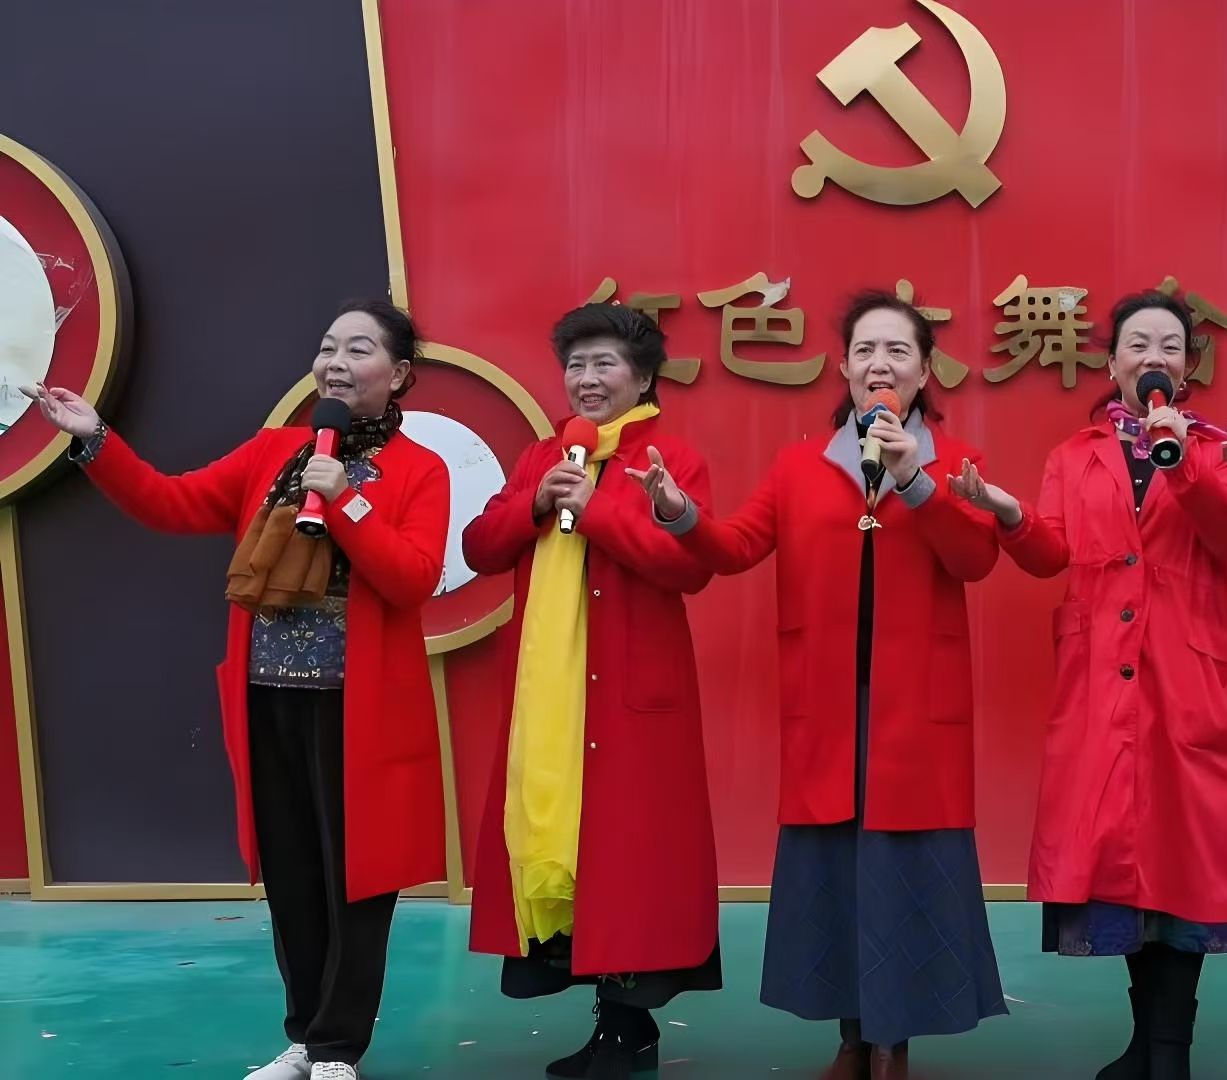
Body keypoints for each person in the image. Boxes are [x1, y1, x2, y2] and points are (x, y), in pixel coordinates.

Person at [27, 299, 451, 1080]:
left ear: (398, 375)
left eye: (358, 349)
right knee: (292, 875)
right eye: (328, 346)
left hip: (357, 709)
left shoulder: (421, 470)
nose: (336, 362)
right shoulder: (274, 451)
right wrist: (94, 437)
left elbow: (412, 578)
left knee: (357, 881)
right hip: (266, 696)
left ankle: (338, 1048)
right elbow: (172, 502)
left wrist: (346, 499)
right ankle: (304, 1036)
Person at [636, 290, 1006, 1079]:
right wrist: (677, 512)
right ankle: (851, 1037)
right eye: (866, 350)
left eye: (898, 351)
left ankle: (894, 1042)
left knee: (904, 871)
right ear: (844, 367)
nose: (880, 364)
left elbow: (975, 558)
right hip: (829, 705)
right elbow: (734, 547)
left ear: (925, 371)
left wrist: (916, 483)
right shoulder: (799, 467)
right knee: (836, 872)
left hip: (915, 708)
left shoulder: (955, 461)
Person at [950, 291, 1227, 1080]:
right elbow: (1050, 554)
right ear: (1112, 360)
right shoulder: (1074, 454)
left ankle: (1171, 1052)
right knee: (1123, 868)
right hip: (1101, 678)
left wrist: (1181, 459)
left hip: (1188, 676)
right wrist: (1008, 514)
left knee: (1184, 865)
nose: (1153, 357)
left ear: (1187, 368)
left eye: (1169, 345)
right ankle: (1143, 1043)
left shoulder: (1212, 449)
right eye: (1138, 344)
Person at [463, 303, 721, 1080]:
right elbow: (480, 546)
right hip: (551, 698)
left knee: (630, 860)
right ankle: (612, 1028)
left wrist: (597, 509)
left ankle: (629, 1028)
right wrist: (536, 502)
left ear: (643, 378)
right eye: (576, 365)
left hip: (632, 697)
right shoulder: (543, 456)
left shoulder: (672, 458)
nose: (586, 379)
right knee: (566, 848)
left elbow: (689, 567)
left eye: (605, 363)